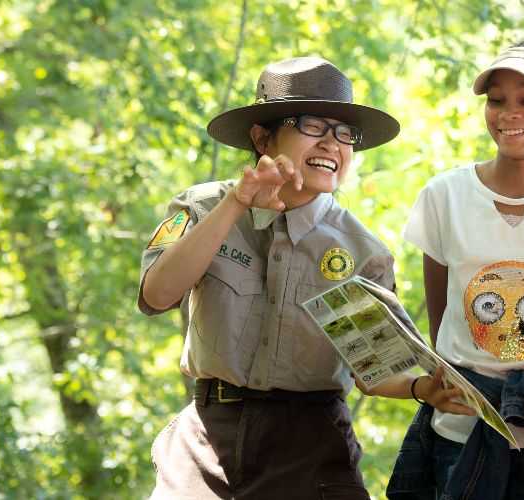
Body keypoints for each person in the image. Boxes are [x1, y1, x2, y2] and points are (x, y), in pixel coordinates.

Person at [139, 56, 464, 499]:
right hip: (205, 443)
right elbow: (157, 294)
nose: (333, 144)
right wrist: (236, 204)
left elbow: (371, 370)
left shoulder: (361, 252)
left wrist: (422, 388)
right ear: (261, 136)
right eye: (314, 125)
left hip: (310, 447)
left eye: (345, 133)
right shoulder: (202, 208)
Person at [386, 36, 524, 500]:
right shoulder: (444, 196)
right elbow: (443, 313)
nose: (509, 114)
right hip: (463, 420)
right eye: (497, 100)